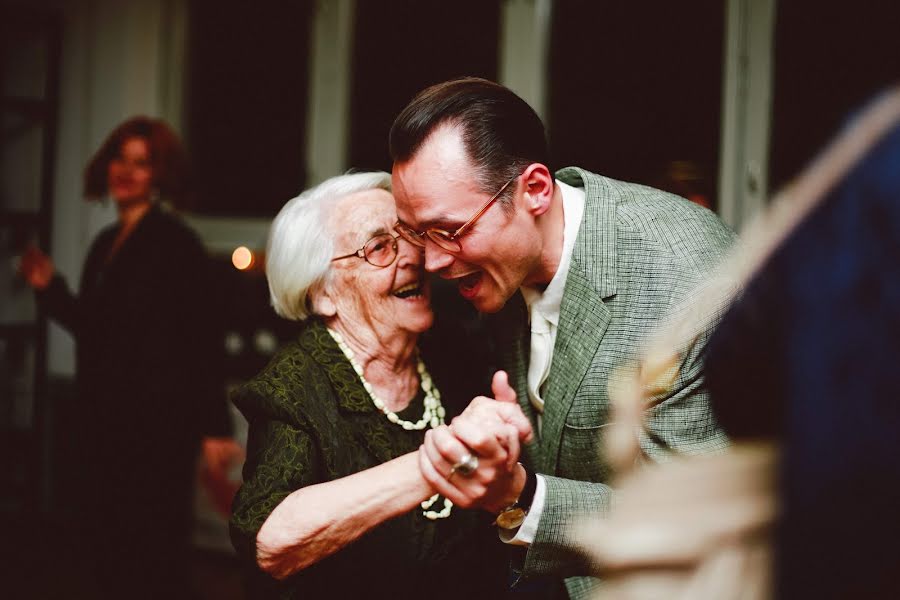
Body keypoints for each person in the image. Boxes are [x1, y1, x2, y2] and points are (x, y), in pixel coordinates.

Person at [388, 77, 736, 598]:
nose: (433, 261)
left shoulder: (685, 284)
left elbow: (699, 515)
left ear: (534, 190)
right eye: (416, 232)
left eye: (450, 231)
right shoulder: (493, 265)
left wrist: (523, 497)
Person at [228, 172, 528, 598]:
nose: (412, 256)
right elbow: (269, 539)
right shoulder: (293, 387)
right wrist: (441, 461)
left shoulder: (453, 354)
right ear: (322, 294)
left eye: (407, 234)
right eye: (379, 247)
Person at [19, 116, 235, 599]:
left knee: (153, 551)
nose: (126, 171)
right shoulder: (105, 244)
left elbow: (201, 337)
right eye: (120, 158)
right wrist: (49, 288)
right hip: (105, 420)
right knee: (110, 544)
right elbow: (99, 329)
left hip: (157, 427)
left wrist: (214, 426)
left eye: (142, 163)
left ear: (159, 175)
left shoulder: (176, 242)